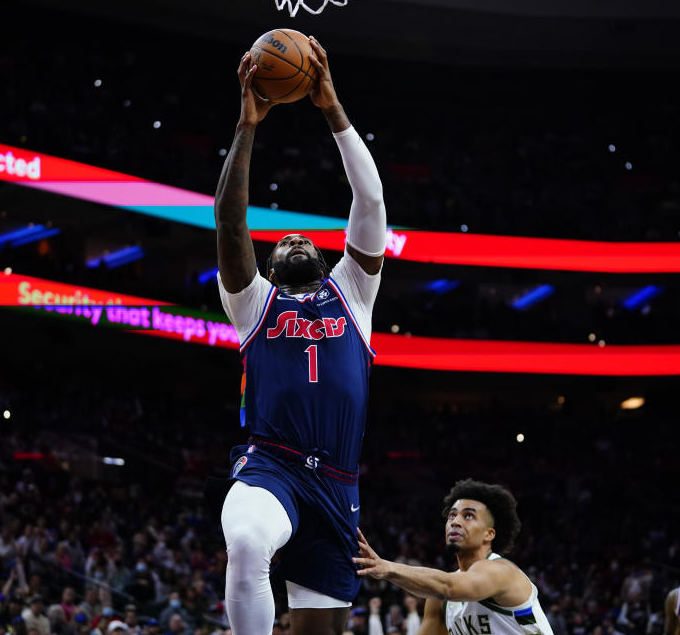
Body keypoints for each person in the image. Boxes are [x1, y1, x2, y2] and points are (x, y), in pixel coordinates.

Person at [214, 35, 386, 635]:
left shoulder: (354, 292)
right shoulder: (253, 302)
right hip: (273, 467)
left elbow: (370, 198)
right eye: (281, 242)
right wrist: (247, 126)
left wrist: (330, 106)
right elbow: (230, 219)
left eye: (302, 239)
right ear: (267, 266)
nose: (290, 242)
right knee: (244, 540)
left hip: (337, 483)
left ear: (322, 254)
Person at [352, 479, 555, 635]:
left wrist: (387, 568)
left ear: (489, 534)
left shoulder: (501, 571)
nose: (455, 522)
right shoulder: (440, 601)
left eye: (468, 516)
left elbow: (449, 586)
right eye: (452, 515)